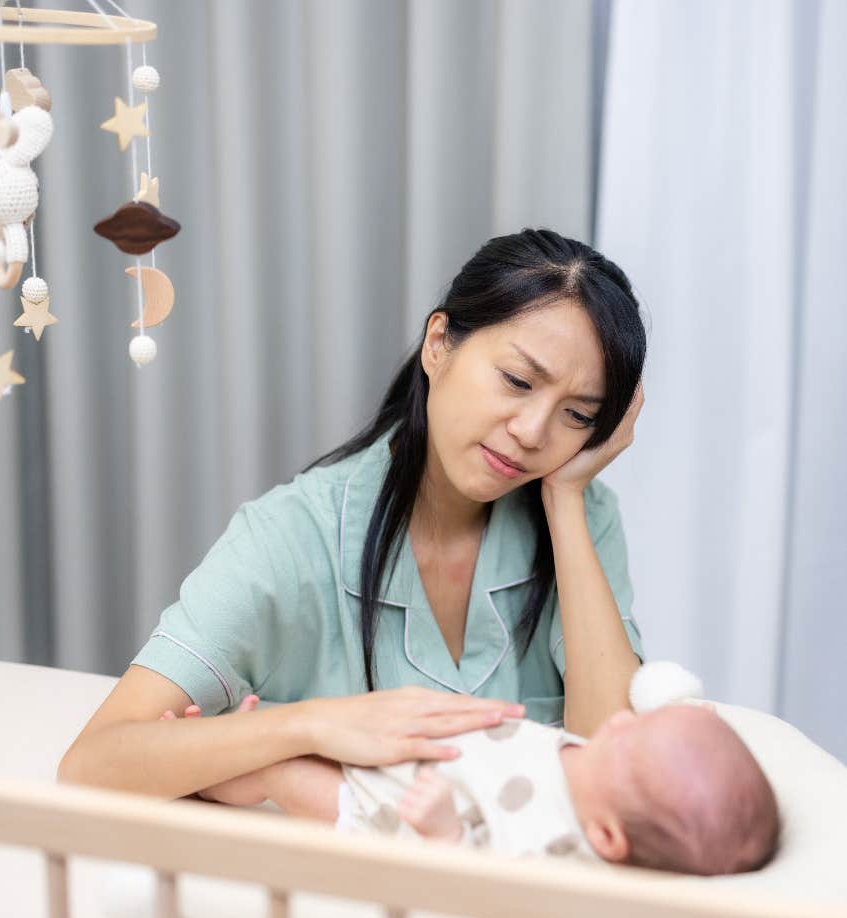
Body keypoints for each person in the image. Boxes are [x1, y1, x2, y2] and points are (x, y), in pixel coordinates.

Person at [58, 229, 647, 805]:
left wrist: (567, 499)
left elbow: (618, 776)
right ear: (439, 344)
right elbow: (94, 761)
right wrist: (306, 730)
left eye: (577, 415)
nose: (532, 432)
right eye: (517, 381)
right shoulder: (291, 536)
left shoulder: (583, 517)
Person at [163, 699, 781, 876]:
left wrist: (446, 836)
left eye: (624, 742)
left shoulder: (557, 848)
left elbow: (484, 893)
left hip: (393, 817)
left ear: (607, 836)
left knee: (285, 775)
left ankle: (204, 775)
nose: (615, 723)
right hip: (413, 762)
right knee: (302, 732)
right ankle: (230, 742)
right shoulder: (600, 782)